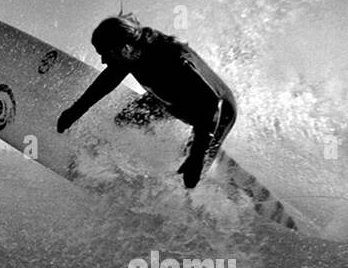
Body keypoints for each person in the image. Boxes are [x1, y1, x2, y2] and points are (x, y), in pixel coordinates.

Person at [56, 13, 238, 188]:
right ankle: (152, 159)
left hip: (216, 112)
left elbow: (211, 104)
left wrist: (197, 156)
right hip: (170, 102)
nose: (103, 61)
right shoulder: (131, 54)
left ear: (124, 48)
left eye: (105, 54)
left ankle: (210, 177)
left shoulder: (172, 58)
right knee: (125, 120)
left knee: (190, 172)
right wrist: (75, 111)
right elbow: (107, 81)